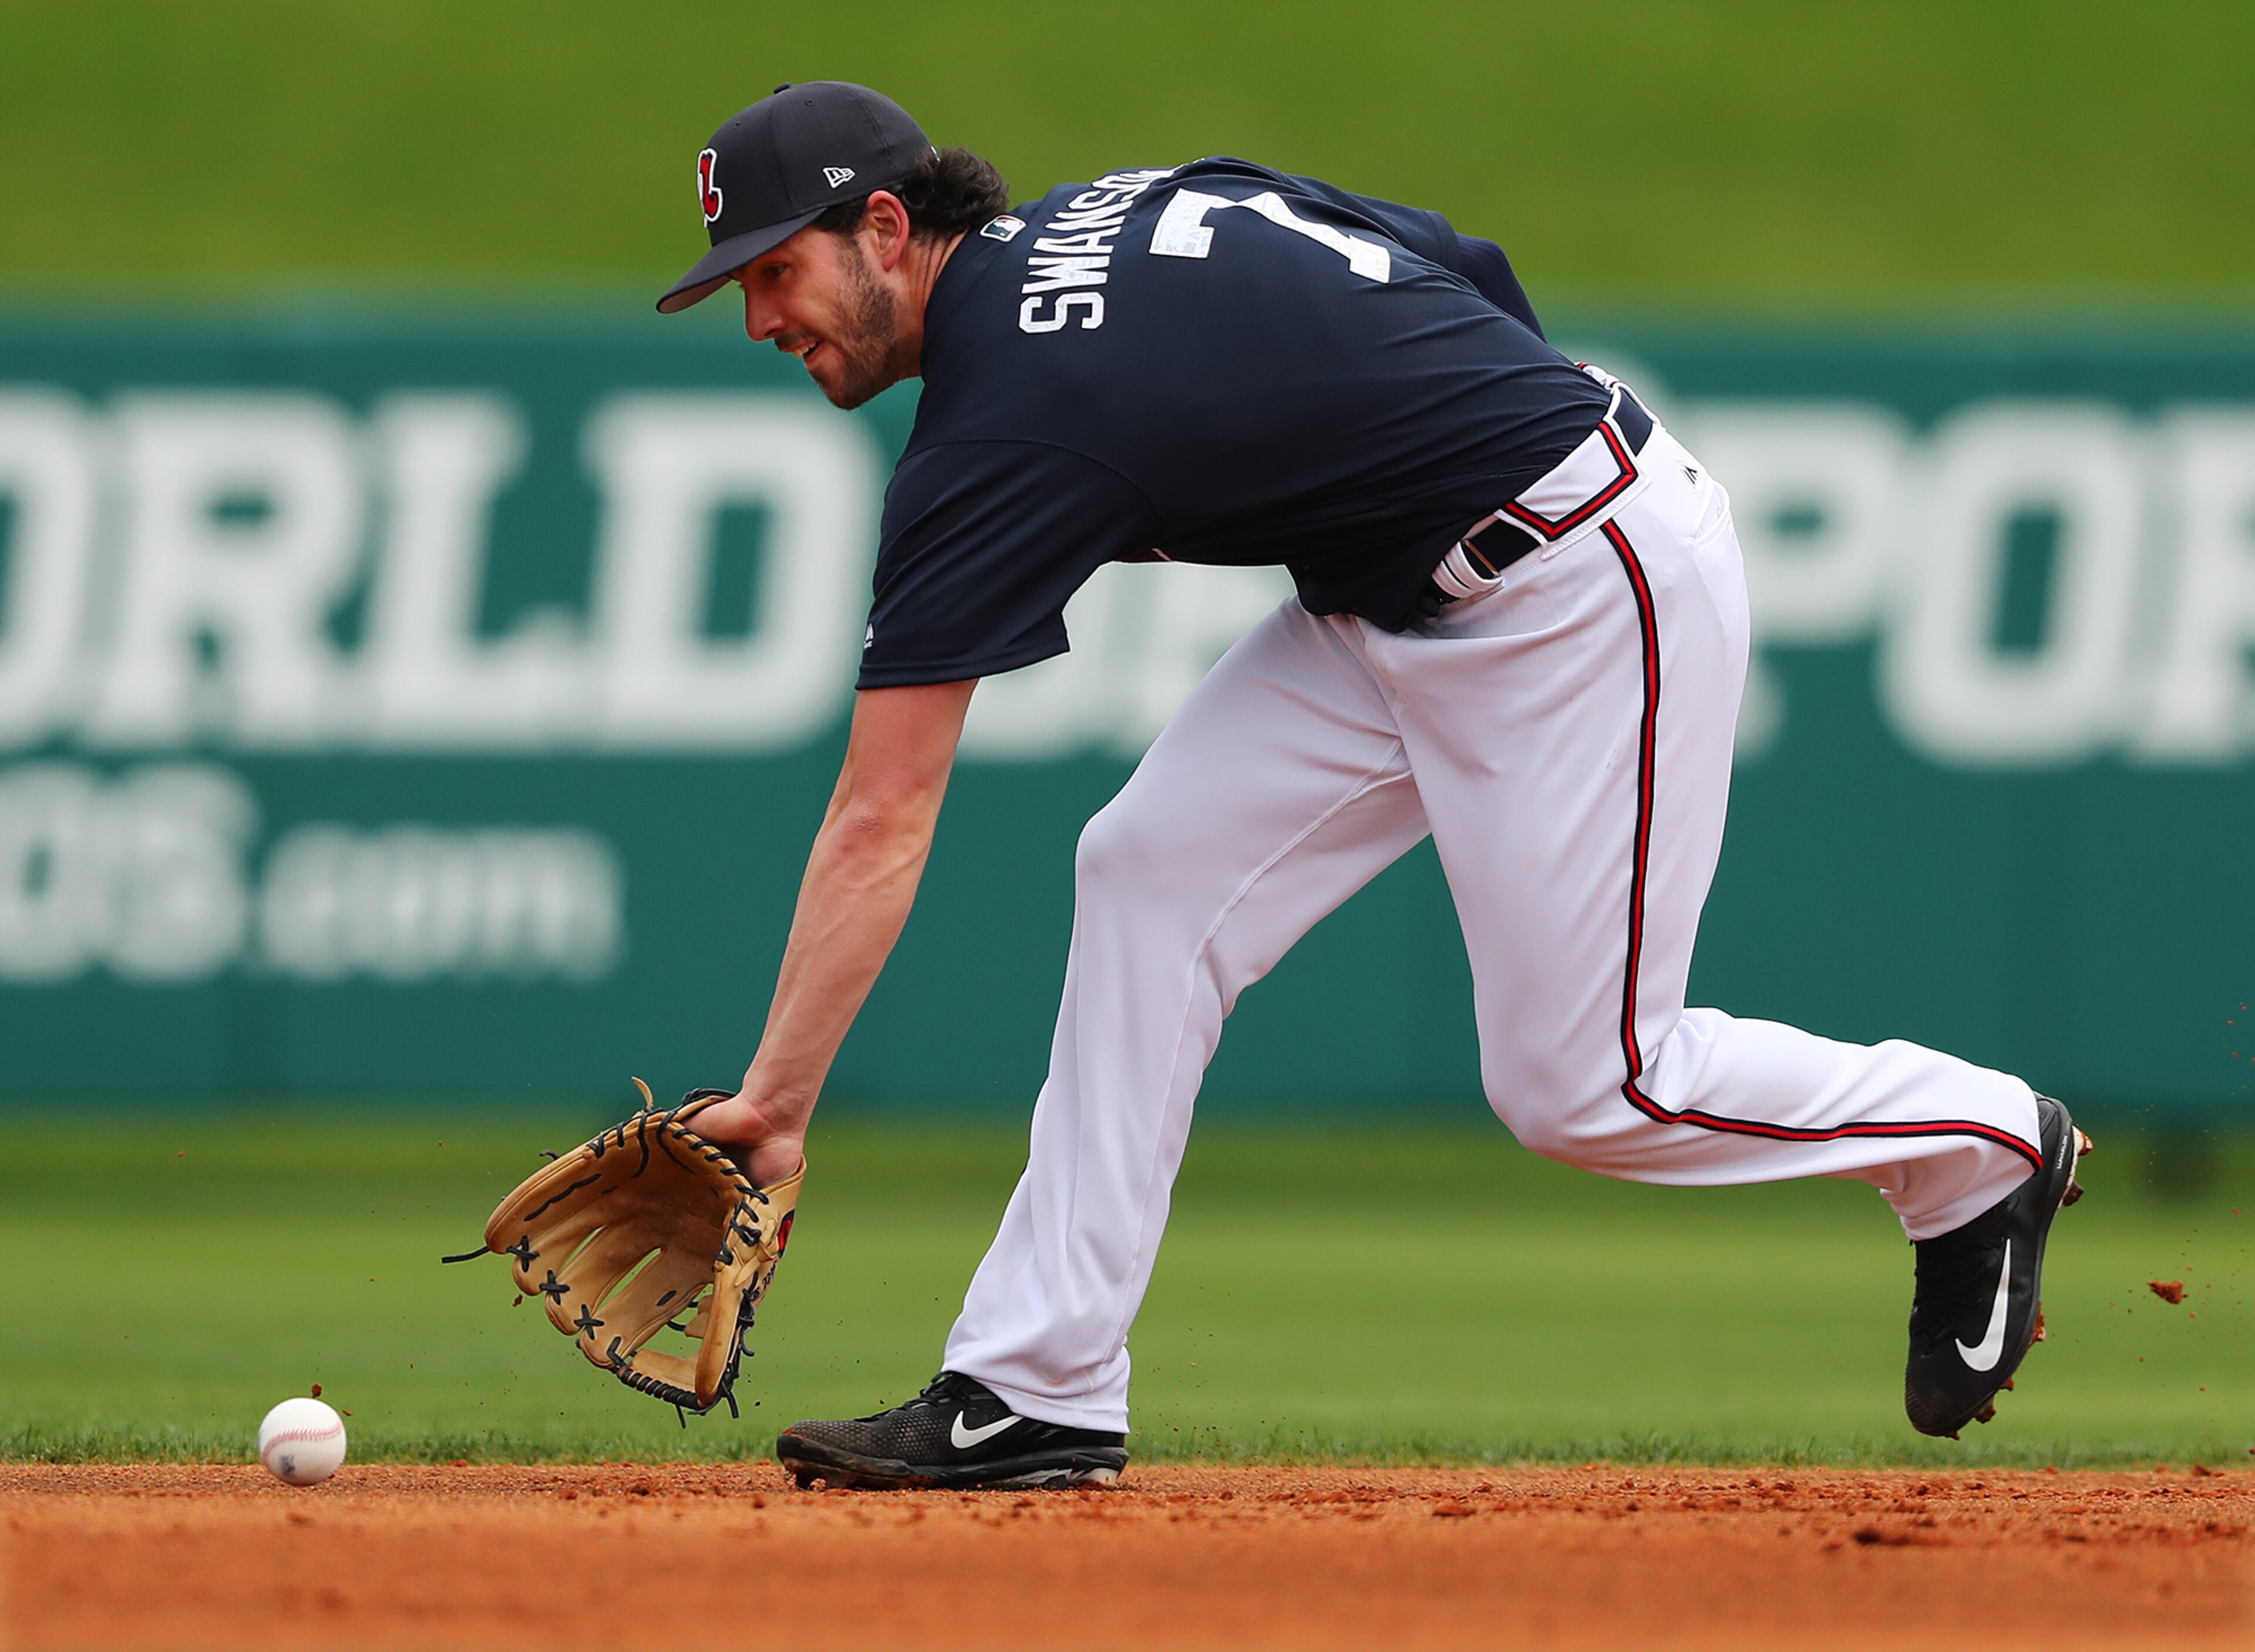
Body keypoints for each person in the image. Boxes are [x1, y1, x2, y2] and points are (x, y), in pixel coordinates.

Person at [659, 82, 2089, 1490]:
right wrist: (1414, 458)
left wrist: (778, 1104)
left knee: (1590, 1086)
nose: (761, 317)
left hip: (1580, 582)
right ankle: (1039, 1384)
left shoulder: (1009, 417)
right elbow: (1459, 267)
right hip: (1392, 595)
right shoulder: (1127, 205)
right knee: (1148, 866)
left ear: (888, 229)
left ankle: (1982, 1146)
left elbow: (882, 815)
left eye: (777, 270)